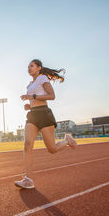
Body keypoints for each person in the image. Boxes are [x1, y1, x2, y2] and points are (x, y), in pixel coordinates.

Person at [15, 59, 77, 189]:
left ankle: (67, 140)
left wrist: (33, 98)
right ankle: (28, 179)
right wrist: (29, 105)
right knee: (27, 144)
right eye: (27, 67)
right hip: (32, 115)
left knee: (52, 149)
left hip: (44, 114)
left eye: (31, 66)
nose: (29, 68)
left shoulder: (42, 78)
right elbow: (33, 99)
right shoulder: (29, 85)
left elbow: (51, 96)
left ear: (39, 68)